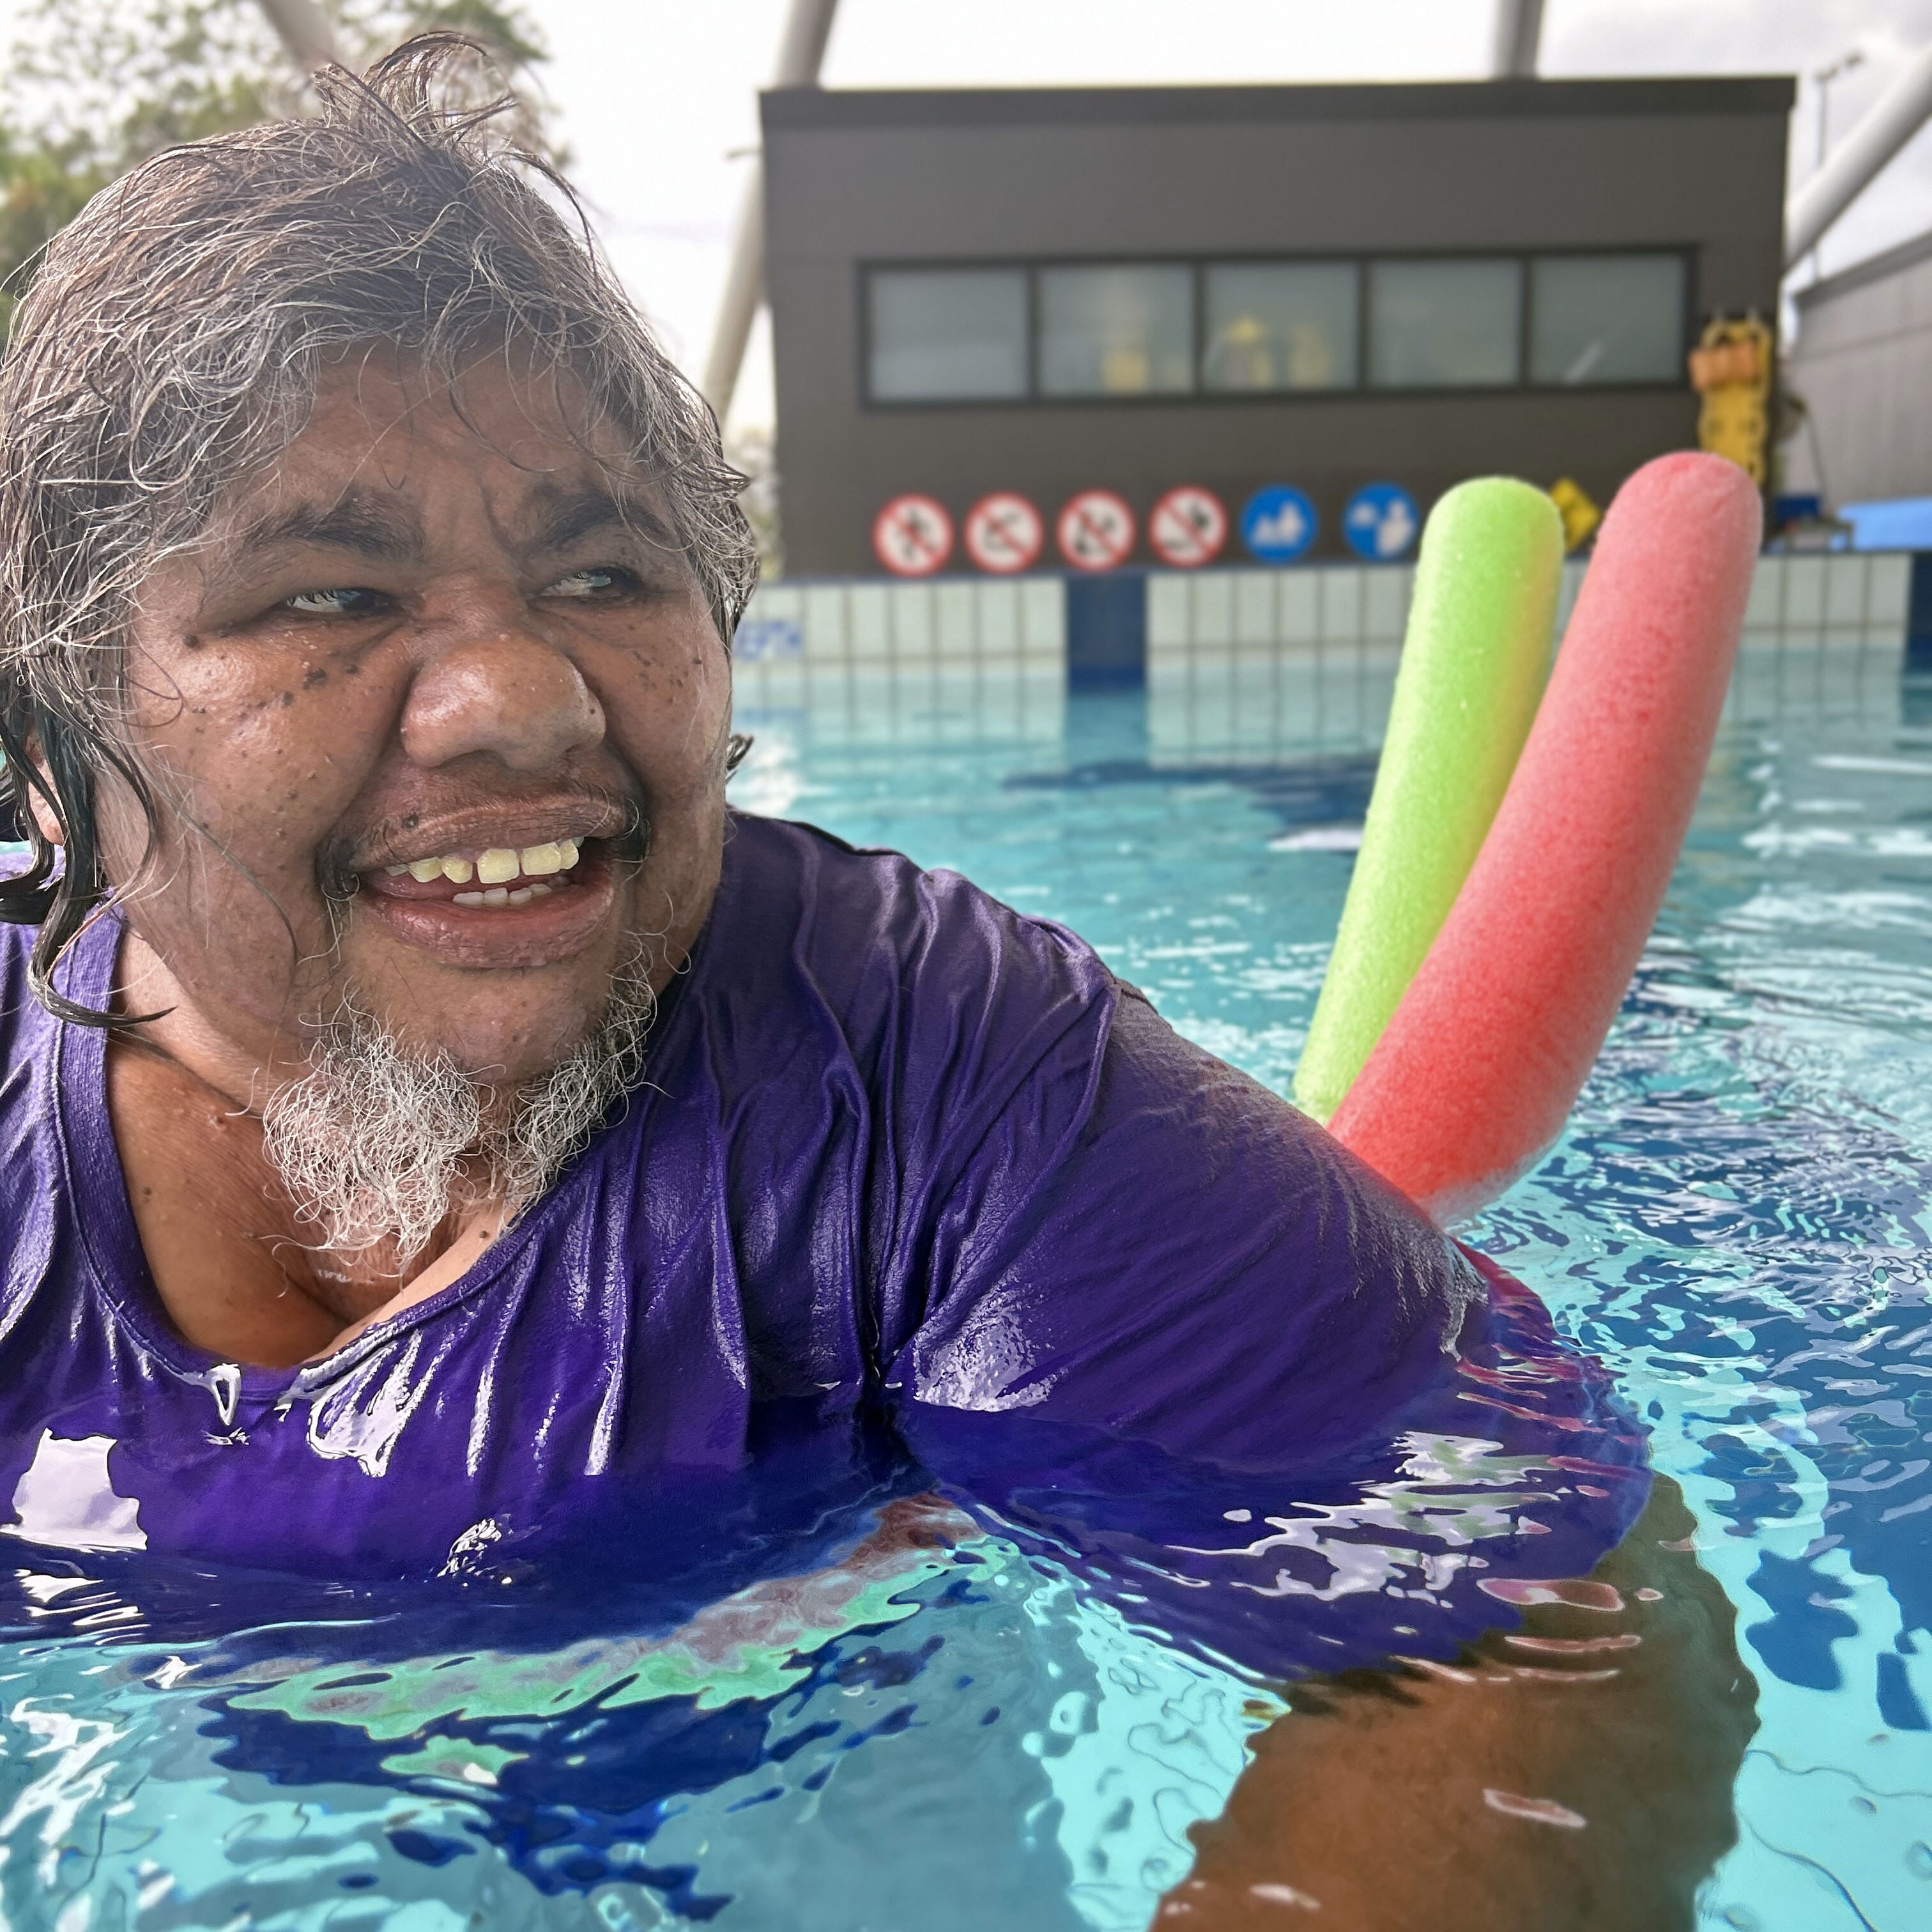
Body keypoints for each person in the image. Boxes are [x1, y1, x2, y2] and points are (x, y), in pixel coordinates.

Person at [0, 41, 1751, 1925]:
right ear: (52, 746)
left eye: (604, 571)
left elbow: (1544, 1620)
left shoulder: (935, 1079)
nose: (518, 695)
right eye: (326, 598)